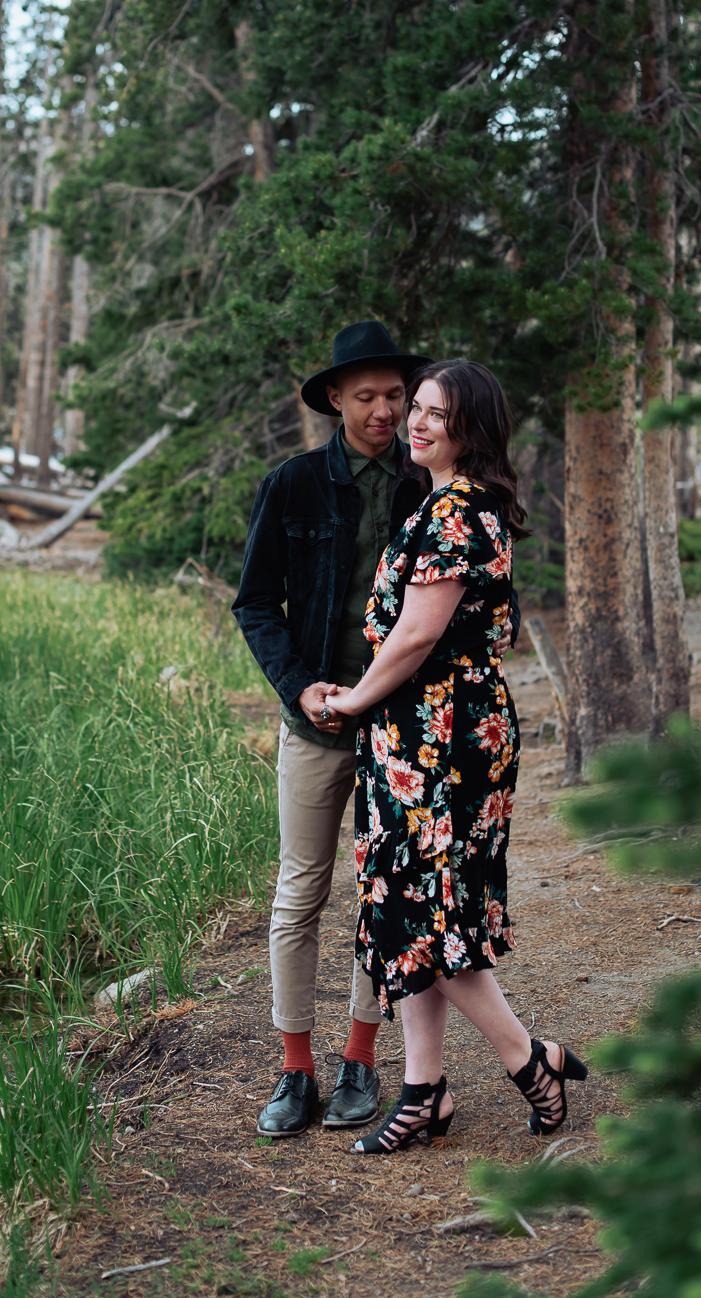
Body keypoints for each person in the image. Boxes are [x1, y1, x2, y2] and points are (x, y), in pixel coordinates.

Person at [233, 323, 519, 1138]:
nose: (389, 411)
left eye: (400, 395)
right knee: (298, 894)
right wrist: (301, 689)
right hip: (317, 723)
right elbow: (256, 604)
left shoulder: (428, 484)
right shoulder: (292, 486)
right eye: (370, 397)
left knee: (383, 898)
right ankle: (296, 1072)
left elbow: (458, 614)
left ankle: (363, 1060)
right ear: (334, 400)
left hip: (409, 735)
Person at [325, 359, 586, 1153]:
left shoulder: (458, 513)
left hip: (442, 736)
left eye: (437, 413)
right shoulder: (442, 504)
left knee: (428, 914)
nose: (416, 421)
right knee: (416, 914)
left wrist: (352, 698)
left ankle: (524, 1057)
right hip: (420, 732)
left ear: (470, 429)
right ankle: (423, 1091)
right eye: (418, 409)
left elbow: (415, 635)